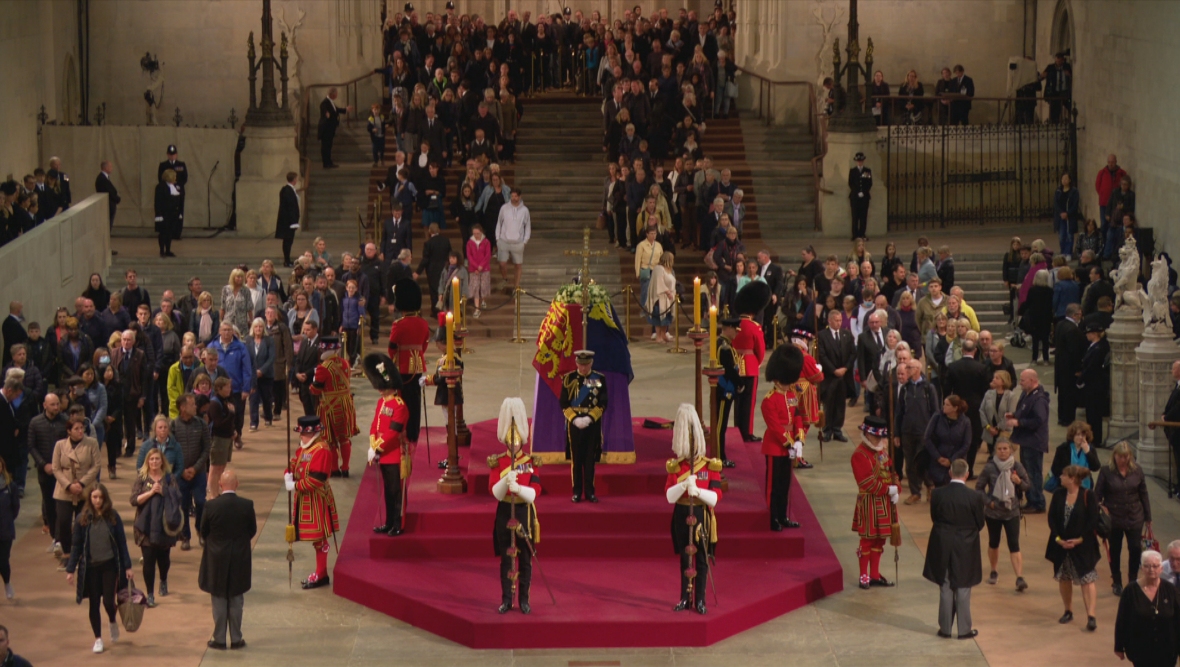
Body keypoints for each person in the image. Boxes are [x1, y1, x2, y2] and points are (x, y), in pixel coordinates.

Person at [664, 403, 721, 614]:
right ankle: (684, 597)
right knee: (685, 559)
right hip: (680, 513)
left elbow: (715, 498)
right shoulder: (676, 466)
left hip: (701, 514)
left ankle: (700, 599)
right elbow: (669, 496)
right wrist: (683, 486)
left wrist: (697, 492)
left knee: (702, 560)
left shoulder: (709, 465)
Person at [65, 483, 134, 655]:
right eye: (94, 497)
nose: (97, 500)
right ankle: (98, 639)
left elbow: (121, 543)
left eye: (100, 497)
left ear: (105, 498)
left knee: (108, 601)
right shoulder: (82, 518)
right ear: (90, 498)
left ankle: (112, 619)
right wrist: (70, 569)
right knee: (94, 603)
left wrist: (127, 566)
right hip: (91, 568)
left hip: (109, 565)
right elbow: (76, 546)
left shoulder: (113, 517)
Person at [489, 397, 542, 614]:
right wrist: (505, 481)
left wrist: (519, 489)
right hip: (504, 511)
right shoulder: (498, 461)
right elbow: (494, 491)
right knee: (506, 559)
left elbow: (535, 492)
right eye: (510, 441)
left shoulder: (530, 462)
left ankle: (524, 600)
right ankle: (506, 599)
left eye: (517, 440)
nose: (514, 444)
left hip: (523, 511)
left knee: (525, 560)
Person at [923, 459, 984, 639]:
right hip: (966, 544)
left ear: (950, 473)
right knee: (964, 585)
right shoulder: (975, 497)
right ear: (967, 474)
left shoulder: (938, 494)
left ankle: (945, 629)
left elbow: (935, 517)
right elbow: (980, 523)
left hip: (942, 542)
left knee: (946, 583)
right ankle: (964, 630)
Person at [199, 469, 256, 650]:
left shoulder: (211, 506)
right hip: (240, 556)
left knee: (219, 597)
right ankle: (237, 638)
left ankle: (219, 639)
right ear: (237, 484)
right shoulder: (247, 505)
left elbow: (204, 531)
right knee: (236, 597)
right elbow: (251, 530)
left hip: (216, 558)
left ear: (220, 485)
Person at [284, 415, 339, 589]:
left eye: (303, 433)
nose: (300, 436)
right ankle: (320, 572)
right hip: (306, 499)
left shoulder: (321, 450)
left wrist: (295, 485)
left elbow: (317, 479)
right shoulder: (304, 448)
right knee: (317, 539)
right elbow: (295, 463)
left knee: (320, 538)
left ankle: (321, 573)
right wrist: (288, 473)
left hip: (317, 499)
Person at [1047, 464, 1102, 631]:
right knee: (1064, 577)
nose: (1060, 477)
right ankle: (1068, 610)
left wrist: (1079, 540)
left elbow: (1093, 520)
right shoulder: (1058, 494)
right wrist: (1058, 539)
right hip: (1061, 545)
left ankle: (1091, 616)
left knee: (1087, 579)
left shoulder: (1088, 495)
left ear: (1072, 479)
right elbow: (1052, 519)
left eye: (1063, 475)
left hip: (1083, 546)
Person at [1097, 441, 1152, 598]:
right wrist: (1101, 508)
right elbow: (1097, 495)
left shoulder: (1137, 470)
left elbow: (1144, 494)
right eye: (1120, 456)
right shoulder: (1106, 471)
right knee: (1115, 550)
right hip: (1114, 518)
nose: (1123, 459)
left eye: (1126, 456)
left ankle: (1133, 581)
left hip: (1135, 516)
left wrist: (1148, 517)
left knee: (1135, 549)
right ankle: (1117, 581)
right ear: (1114, 456)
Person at [974, 439, 1030, 591]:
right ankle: (993, 571)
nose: (1003, 451)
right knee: (994, 542)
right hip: (993, 513)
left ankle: (1019, 577)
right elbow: (978, 489)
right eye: (999, 449)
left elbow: (1027, 485)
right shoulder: (990, 468)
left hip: (1012, 512)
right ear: (995, 451)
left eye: (1005, 448)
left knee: (1014, 544)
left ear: (1011, 450)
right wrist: (988, 502)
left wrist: (1018, 482)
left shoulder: (1017, 467)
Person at [363, 352, 408, 536]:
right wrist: (372, 442)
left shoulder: (399, 405)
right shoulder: (382, 401)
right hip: (382, 452)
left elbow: (393, 432)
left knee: (396, 492)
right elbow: (375, 424)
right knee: (387, 492)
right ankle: (389, 522)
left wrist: (377, 447)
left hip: (395, 453)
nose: (380, 390)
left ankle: (398, 524)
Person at [851, 415, 898, 589]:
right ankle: (864, 574)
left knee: (880, 540)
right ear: (867, 434)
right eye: (877, 437)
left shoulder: (882, 452)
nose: (880, 440)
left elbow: (892, 471)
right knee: (867, 540)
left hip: (884, 503)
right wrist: (888, 490)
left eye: (881, 437)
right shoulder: (859, 455)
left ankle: (875, 574)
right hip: (869, 502)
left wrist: (897, 488)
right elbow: (866, 482)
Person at [129, 448, 180, 607]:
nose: (154, 462)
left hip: (164, 525)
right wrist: (151, 492)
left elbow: (178, 496)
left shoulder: (169, 477)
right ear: (147, 462)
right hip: (145, 526)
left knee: (163, 560)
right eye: (151, 460)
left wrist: (164, 491)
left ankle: (163, 579)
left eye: (157, 459)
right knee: (149, 561)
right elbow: (133, 499)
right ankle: (150, 594)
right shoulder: (142, 478)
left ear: (162, 461)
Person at [762, 344, 804, 530]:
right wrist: (789, 443)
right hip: (775, 446)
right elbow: (775, 427)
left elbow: (797, 416)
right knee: (774, 486)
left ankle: (782, 515)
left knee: (785, 484)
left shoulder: (791, 395)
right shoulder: (769, 400)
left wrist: (799, 439)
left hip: (790, 445)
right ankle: (772, 518)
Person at [387, 278, 430, 455]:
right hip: (418, 366)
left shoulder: (399, 324)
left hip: (402, 368)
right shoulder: (423, 323)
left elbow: (392, 348)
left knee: (401, 402)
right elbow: (424, 345)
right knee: (415, 402)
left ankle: (401, 433)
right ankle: (413, 434)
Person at [1115, 550, 1180, 667]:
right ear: (1142, 568)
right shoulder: (1131, 590)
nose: (1151, 569)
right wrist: (1119, 646)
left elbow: (1178, 620)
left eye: (1155, 566)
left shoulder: (1171, 590)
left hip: (1167, 650)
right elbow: (1122, 619)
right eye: (1147, 566)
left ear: (1161, 568)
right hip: (1140, 650)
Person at [53, 415, 100, 567]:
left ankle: (83, 553)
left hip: (85, 489)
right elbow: (56, 468)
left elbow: (96, 466)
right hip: (64, 489)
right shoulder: (60, 445)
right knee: (64, 522)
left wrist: (81, 483)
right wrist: (68, 485)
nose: (81, 431)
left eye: (82, 428)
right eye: (77, 429)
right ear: (69, 431)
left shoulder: (91, 443)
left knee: (84, 522)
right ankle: (67, 553)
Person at [561, 350, 607, 503]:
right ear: (576, 364)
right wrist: (574, 419)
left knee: (589, 459)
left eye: (586, 365)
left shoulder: (599, 379)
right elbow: (563, 402)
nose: (583, 368)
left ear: (591, 364)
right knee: (576, 459)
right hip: (574, 424)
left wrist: (589, 418)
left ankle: (589, 492)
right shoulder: (569, 379)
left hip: (591, 424)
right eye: (580, 365)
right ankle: (576, 491)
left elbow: (603, 403)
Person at [310, 336, 359, 477]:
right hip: (345, 403)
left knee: (329, 439)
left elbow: (315, 390)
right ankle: (346, 467)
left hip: (329, 407)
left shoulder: (322, 368)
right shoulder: (345, 363)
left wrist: (312, 384)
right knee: (344, 438)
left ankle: (334, 469)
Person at [896, 359, 939, 504]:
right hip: (907, 431)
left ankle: (930, 486)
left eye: (909, 367)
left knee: (923, 461)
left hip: (924, 432)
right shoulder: (905, 389)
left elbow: (935, 411)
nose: (906, 370)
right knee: (909, 463)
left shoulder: (928, 388)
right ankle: (915, 492)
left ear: (917, 369)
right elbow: (899, 413)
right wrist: (897, 433)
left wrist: (934, 432)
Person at [172, 393, 211, 551]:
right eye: (192, 404)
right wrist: (181, 471)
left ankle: (201, 531)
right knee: (183, 506)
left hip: (198, 472)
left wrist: (195, 468)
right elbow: (171, 451)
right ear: (182, 407)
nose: (195, 406)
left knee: (201, 502)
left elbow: (206, 449)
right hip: (181, 475)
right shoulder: (173, 426)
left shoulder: (201, 424)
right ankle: (185, 537)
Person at [732, 282, 770, 442]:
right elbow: (760, 350)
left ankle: (737, 429)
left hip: (735, 365)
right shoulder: (754, 326)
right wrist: (758, 363)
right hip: (750, 366)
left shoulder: (734, 325)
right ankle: (746, 432)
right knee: (749, 402)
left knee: (738, 402)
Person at [1008, 369, 1050, 513]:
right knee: (1027, 472)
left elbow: (1039, 419)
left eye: (1023, 380)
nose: (1020, 383)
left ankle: (1037, 502)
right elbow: (1023, 411)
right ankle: (1032, 499)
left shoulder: (1039, 399)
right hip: (1026, 441)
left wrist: (1019, 422)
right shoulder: (1026, 394)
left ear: (1032, 381)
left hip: (1034, 442)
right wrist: (1013, 415)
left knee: (1033, 473)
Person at [818, 309, 855, 442]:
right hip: (829, 376)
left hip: (843, 376)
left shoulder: (846, 334)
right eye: (836, 320)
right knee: (829, 403)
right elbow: (821, 355)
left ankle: (837, 429)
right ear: (829, 321)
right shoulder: (822, 335)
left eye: (840, 320)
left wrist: (845, 368)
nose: (839, 323)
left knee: (840, 404)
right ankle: (827, 429)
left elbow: (852, 353)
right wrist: (834, 370)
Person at [924, 395, 971, 488]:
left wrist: (951, 460)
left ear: (955, 408)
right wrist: (938, 457)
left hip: (956, 461)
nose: (943, 406)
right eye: (944, 404)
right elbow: (927, 438)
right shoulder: (937, 417)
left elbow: (966, 444)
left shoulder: (965, 422)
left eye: (947, 405)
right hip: (938, 460)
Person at [1076, 320, 1111, 444]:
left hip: (1095, 386)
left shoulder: (1099, 348)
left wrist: (1080, 380)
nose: (1086, 335)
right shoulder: (1094, 346)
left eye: (1089, 332)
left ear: (1095, 334)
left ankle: (1095, 440)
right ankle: (1092, 438)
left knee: (1094, 414)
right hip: (1092, 385)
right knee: (1091, 413)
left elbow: (1091, 367)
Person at [494, 189, 531, 293]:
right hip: (503, 241)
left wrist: (525, 241)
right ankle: (505, 279)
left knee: (518, 265)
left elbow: (527, 226)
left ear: (519, 197)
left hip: (518, 242)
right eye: (512, 196)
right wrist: (497, 238)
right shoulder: (504, 208)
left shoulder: (525, 210)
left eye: (515, 196)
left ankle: (516, 287)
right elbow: (499, 223)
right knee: (502, 263)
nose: (514, 198)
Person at [245, 318, 275, 431]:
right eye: (256, 326)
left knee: (266, 398)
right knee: (253, 398)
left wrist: (261, 371)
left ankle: (268, 416)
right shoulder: (248, 340)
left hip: (266, 375)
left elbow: (271, 358)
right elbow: (247, 357)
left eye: (261, 326)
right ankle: (253, 422)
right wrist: (253, 372)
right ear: (253, 328)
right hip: (253, 376)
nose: (258, 329)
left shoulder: (269, 340)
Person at [318, 87, 352, 168]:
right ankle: (326, 163)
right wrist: (326, 114)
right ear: (332, 94)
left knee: (329, 146)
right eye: (336, 94)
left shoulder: (330, 102)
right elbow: (325, 111)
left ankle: (329, 162)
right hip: (326, 128)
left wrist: (346, 109)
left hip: (330, 128)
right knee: (326, 146)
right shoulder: (325, 103)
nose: (337, 95)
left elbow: (336, 110)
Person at [154, 168, 183, 257]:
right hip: (164, 214)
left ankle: (168, 250)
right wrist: (158, 214)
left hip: (173, 214)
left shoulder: (176, 186)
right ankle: (162, 250)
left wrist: (179, 213)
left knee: (170, 233)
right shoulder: (160, 186)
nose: (175, 178)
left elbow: (180, 201)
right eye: (174, 176)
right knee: (163, 233)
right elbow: (157, 202)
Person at [275, 172, 301, 267]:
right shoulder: (288, 191)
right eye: (296, 178)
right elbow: (291, 207)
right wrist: (293, 221)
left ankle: (287, 259)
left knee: (288, 241)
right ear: (294, 179)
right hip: (288, 222)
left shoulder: (288, 190)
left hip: (289, 222)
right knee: (287, 241)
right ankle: (287, 260)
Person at [0, 456, 17, 600]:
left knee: (3, 560)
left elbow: (15, 508)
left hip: (5, 530)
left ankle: (7, 583)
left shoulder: (10, 486)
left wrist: (7, 520)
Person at [1053, 172, 1081, 259]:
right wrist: (1061, 213)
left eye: (1066, 179)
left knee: (1069, 235)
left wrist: (1068, 213)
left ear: (1069, 180)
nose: (1064, 180)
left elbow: (1075, 204)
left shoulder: (1074, 191)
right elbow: (1055, 204)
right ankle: (1063, 252)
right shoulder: (1058, 191)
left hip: (1070, 217)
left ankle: (1068, 253)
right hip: (1060, 217)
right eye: (1063, 179)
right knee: (1062, 236)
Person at [847, 152, 872, 240]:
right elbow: (850, 183)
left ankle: (862, 234)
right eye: (858, 161)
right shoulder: (853, 171)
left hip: (864, 197)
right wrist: (857, 192)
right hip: (855, 197)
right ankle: (855, 234)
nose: (859, 162)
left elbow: (869, 183)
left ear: (863, 161)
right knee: (855, 216)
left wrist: (864, 192)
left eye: (861, 161)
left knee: (863, 216)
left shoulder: (867, 171)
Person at [94, 161, 121, 234]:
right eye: (110, 167)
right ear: (106, 168)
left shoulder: (105, 178)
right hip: (108, 205)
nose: (112, 168)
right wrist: (117, 198)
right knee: (108, 226)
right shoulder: (102, 179)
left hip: (110, 204)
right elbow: (109, 192)